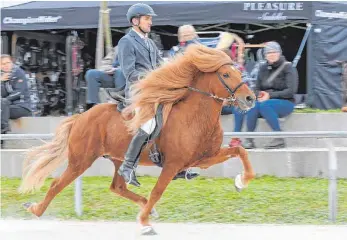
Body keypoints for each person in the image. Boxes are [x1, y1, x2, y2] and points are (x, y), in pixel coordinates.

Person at [117, 3, 199, 187]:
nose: (150, 22)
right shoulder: (126, 42)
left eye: (150, 19)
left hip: (156, 89)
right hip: (138, 90)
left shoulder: (150, 42)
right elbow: (129, 73)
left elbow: (159, 66)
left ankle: (177, 166)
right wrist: (154, 77)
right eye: (147, 19)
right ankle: (128, 166)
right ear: (135, 21)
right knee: (149, 123)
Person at [243, 41, 298, 149]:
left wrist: (270, 95)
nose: (271, 54)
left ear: (279, 53)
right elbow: (256, 88)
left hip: (286, 102)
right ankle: (249, 139)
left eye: (274, 52)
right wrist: (259, 94)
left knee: (265, 105)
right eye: (268, 53)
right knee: (252, 106)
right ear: (265, 55)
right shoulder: (263, 68)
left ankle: (279, 138)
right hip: (266, 100)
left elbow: (291, 91)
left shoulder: (288, 67)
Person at [85, 46, 126, 110]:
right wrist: (109, 69)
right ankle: (93, 106)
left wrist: (117, 69)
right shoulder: (118, 47)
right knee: (91, 73)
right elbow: (105, 63)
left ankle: (122, 105)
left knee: (119, 72)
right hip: (113, 76)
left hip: (130, 79)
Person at [1, 54, 31, 136]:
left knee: (3, 103)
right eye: (3, 64)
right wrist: (1, 81)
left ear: (12, 62)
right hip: (8, 107)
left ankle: (3, 132)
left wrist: (5, 101)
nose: (6, 65)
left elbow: (19, 92)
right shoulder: (2, 75)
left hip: (22, 107)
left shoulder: (18, 72)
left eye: (8, 62)